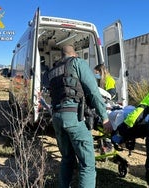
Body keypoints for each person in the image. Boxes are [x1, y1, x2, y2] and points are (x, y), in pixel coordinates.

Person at [47, 44, 112, 188]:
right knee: (87, 164)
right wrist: (105, 117)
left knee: (67, 159)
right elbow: (93, 91)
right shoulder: (77, 63)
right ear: (75, 54)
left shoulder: (52, 71)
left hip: (56, 117)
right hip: (73, 118)